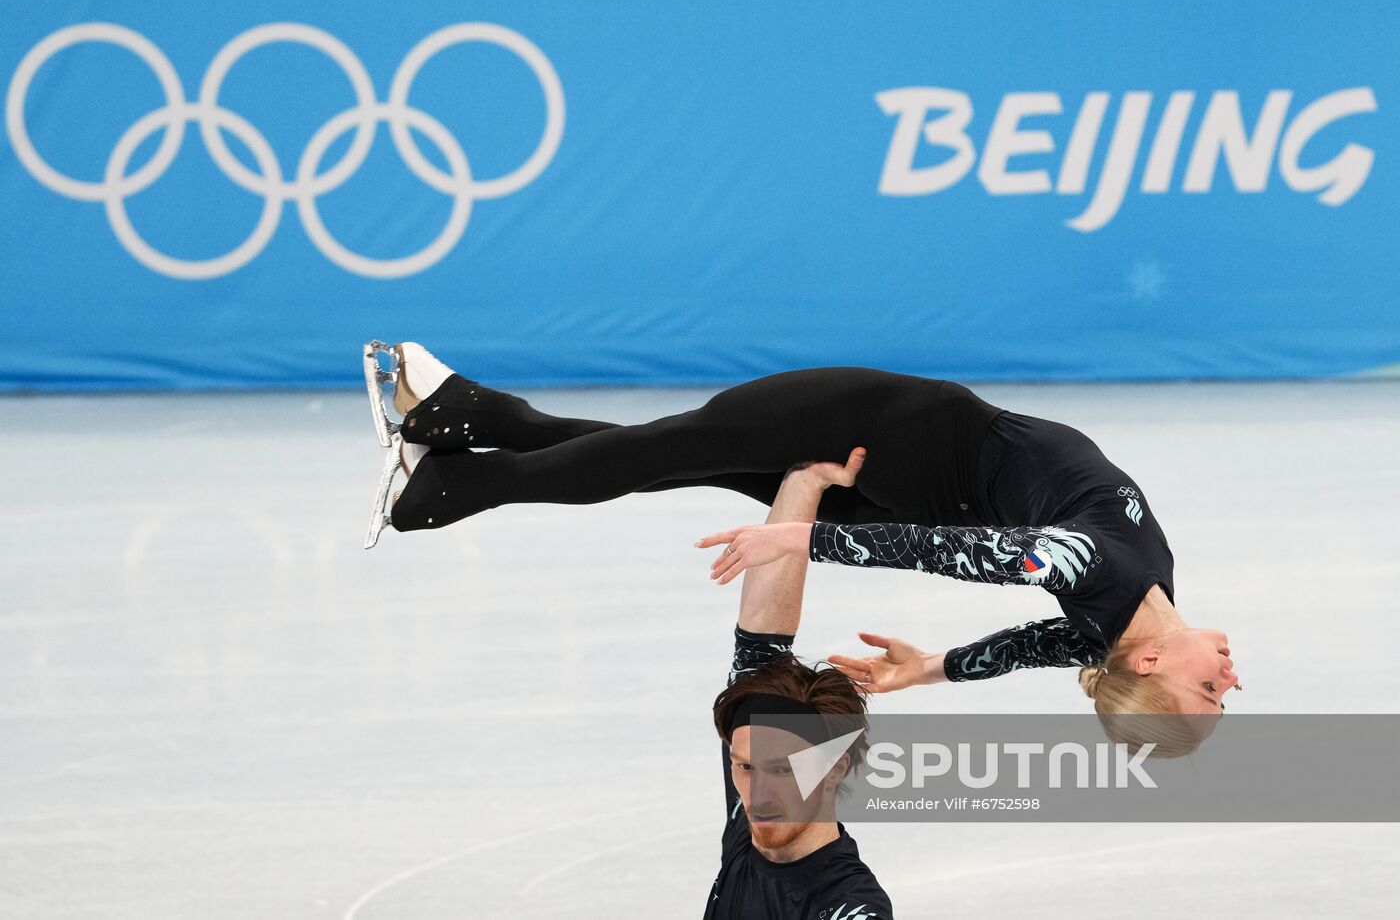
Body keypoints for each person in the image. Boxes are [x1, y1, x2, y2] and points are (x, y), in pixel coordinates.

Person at [362, 342, 1240, 753]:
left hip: (891, 434)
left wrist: (802, 535)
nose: (1230, 676)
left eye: (1206, 688)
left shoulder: (1105, 574)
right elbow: (1022, 652)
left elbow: (953, 551)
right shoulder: (1115, 623)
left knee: (665, 448)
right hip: (897, 477)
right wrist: (926, 670)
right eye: (1222, 693)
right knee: (669, 455)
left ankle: (439, 491)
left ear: (1154, 659)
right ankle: (461, 424)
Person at [707, 449, 891, 919]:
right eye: (744, 768)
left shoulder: (849, 907)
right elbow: (760, 639)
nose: (757, 796)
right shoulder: (751, 828)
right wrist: (807, 482)